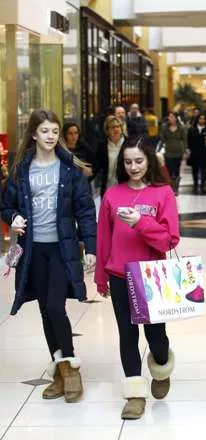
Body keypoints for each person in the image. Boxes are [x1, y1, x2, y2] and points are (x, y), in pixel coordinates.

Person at [0, 109, 97, 403]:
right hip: (33, 250)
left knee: (55, 307)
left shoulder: (69, 170)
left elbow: (85, 212)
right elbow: (5, 205)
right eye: (45, 131)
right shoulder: (21, 170)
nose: (51, 137)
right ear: (33, 134)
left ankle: (70, 369)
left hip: (60, 248)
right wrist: (14, 216)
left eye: (55, 131)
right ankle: (59, 370)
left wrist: (90, 247)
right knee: (44, 310)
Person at [95, 137, 179, 420]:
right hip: (120, 274)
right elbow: (103, 239)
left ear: (149, 161)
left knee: (156, 336)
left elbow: (169, 239)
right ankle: (134, 393)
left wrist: (141, 223)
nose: (134, 167)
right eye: (128, 162)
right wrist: (100, 277)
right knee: (127, 335)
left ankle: (162, 366)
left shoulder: (163, 194)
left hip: (151, 275)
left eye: (139, 161)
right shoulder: (112, 195)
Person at [95, 115, 126, 197]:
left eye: (117, 126)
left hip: (126, 186)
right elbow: (96, 165)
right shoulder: (102, 146)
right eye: (112, 127)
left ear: (121, 129)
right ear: (107, 130)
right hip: (108, 186)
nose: (115, 129)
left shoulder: (129, 144)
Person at [160, 111, 187, 190]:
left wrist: (184, 151)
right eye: (169, 117)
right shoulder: (165, 128)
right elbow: (162, 139)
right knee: (169, 171)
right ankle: (170, 187)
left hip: (178, 152)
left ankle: (176, 187)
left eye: (172, 117)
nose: (170, 118)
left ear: (176, 118)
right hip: (168, 152)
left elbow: (184, 140)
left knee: (176, 170)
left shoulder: (181, 128)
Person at [187, 113, 206, 194]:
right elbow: (189, 141)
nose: (202, 120)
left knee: (204, 169)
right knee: (195, 169)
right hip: (195, 152)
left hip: (204, 152)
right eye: (200, 118)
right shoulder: (192, 129)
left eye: (203, 119)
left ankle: (203, 185)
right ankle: (195, 184)